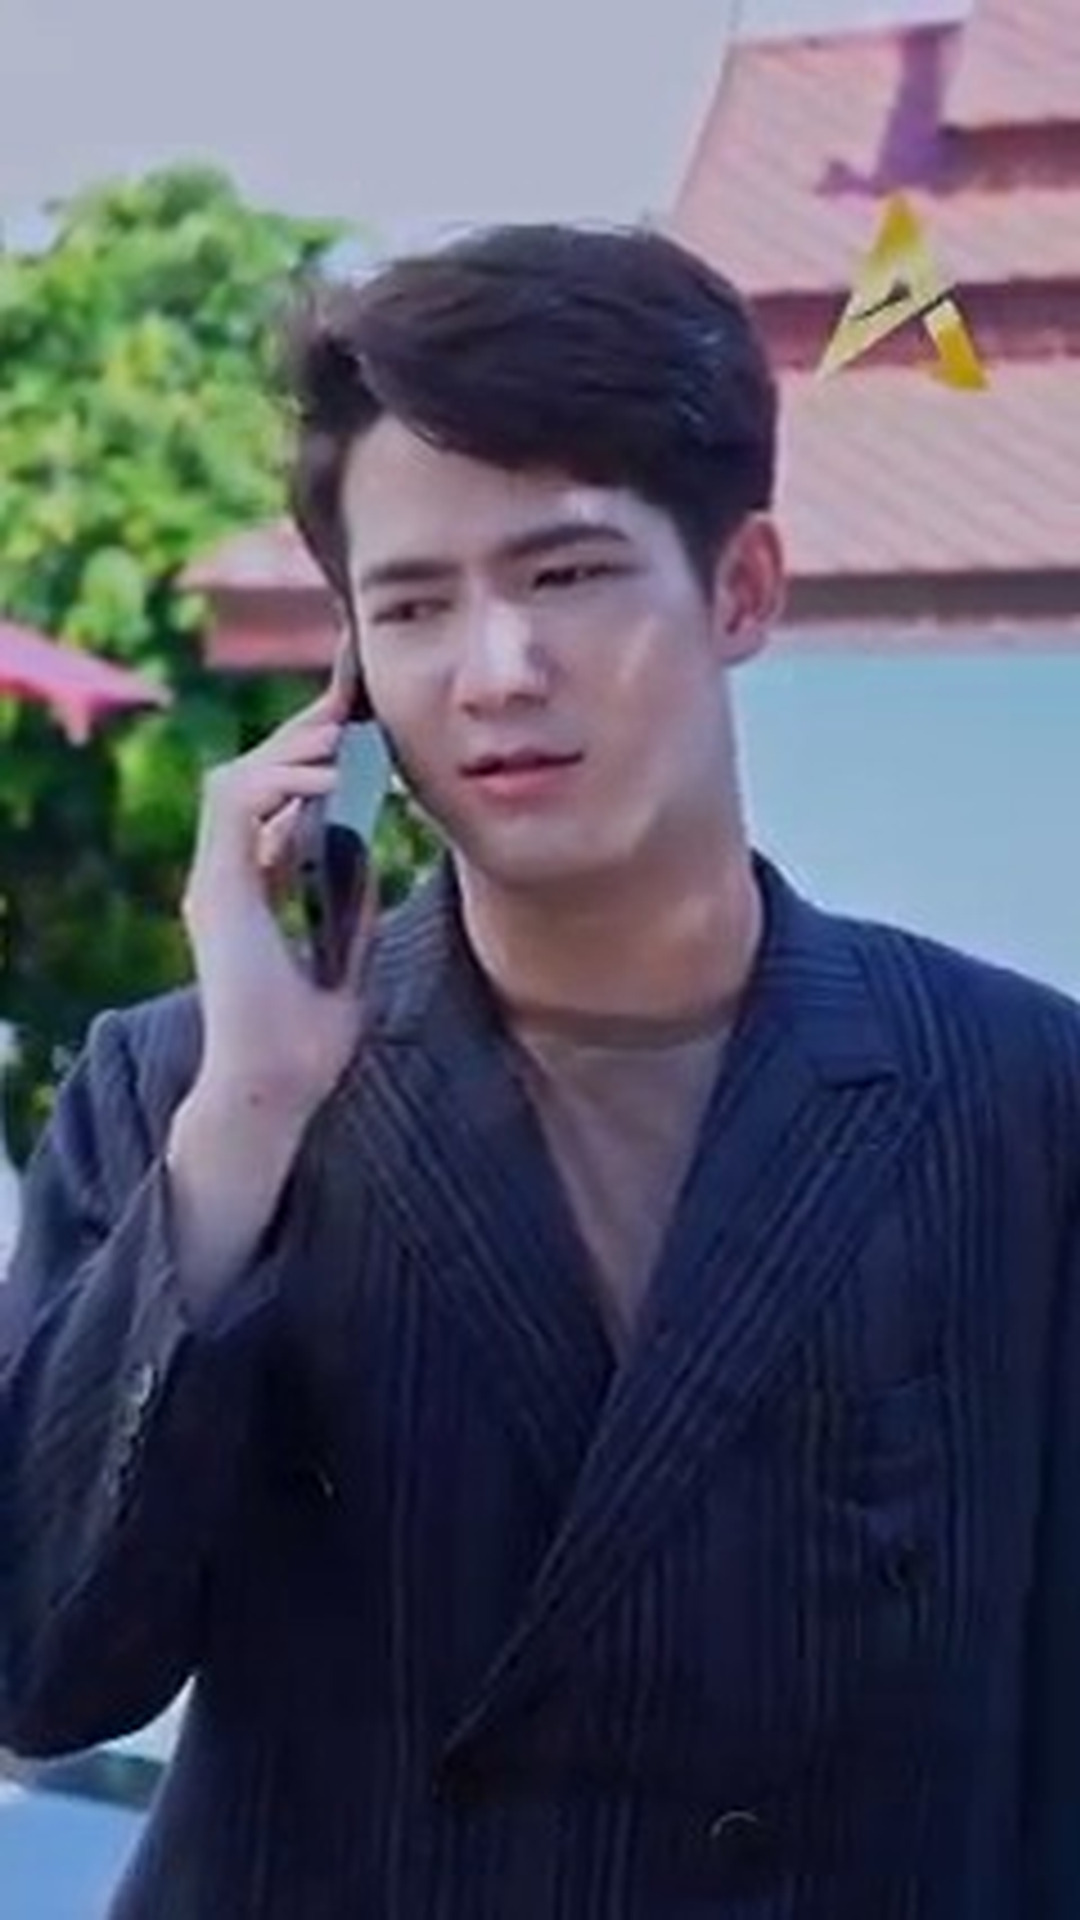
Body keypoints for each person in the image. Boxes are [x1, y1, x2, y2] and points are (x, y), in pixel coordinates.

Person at [1, 220, 1078, 1920]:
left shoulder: (1019, 1099)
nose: (498, 673)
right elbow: (40, 1672)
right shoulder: (187, 1091)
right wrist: (253, 1113)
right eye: (414, 607)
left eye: (567, 575)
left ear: (742, 590)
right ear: (351, 680)